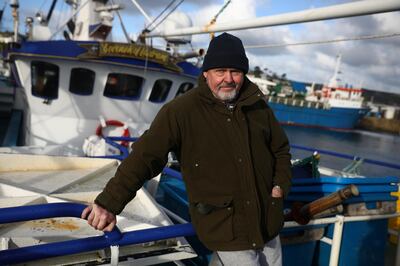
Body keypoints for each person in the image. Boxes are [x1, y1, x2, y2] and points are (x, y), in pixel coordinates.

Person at [81, 32, 292, 266]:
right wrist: (109, 203)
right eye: (220, 71)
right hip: (225, 226)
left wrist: (279, 187)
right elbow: (145, 158)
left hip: (267, 221)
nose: (228, 79)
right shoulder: (181, 111)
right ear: (206, 73)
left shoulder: (258, 106)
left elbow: (280, 150)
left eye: (236, 72)